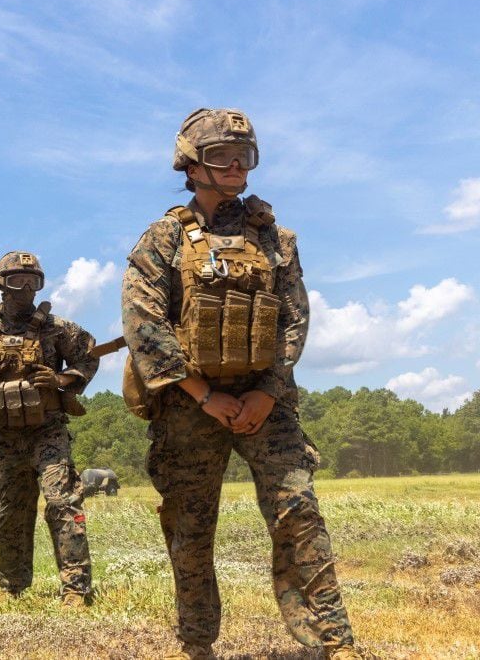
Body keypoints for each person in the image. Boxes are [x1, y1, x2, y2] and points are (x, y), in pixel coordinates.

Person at [121, 108, 361, 660]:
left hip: (264, 401)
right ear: (189, 163)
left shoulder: (276, 237)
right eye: (219, 155)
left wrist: (267, 391)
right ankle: (196, 645)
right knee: (189, 528)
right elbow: (143, 324)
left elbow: (293, 317)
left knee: (298, 512)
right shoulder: (163, 239)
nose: (234, 164)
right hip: (190, 405)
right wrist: (205, 396)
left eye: (244, 155)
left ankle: (336, 643)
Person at [0, 252, 98, 607]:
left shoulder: (57, 328)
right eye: (18, 280)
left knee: (63, 502)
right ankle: (13, 586)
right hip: (6, 435)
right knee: (10, 509)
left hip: (49, 430)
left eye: (34, 281)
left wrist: (61, 378)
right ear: (1, 284)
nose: (27, 288)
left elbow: (88, 355)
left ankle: (76, 589)